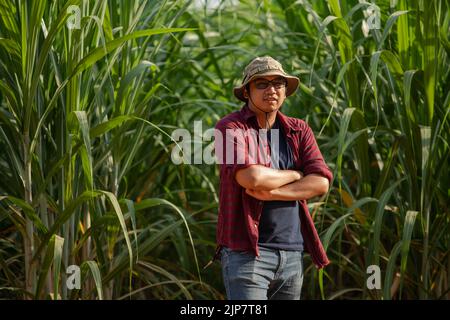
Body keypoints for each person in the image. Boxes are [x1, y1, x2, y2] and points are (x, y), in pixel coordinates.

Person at [211, 56, 333, 300]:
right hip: (247, 254)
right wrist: (296, 174)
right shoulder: (230, 128)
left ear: (286, 91)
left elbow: (321, 182)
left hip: (291, 252)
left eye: (278, 83)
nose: (272, 90)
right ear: (246, 92)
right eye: (262, 84)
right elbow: (252, 178)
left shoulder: (299, 130)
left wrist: (274, 192)